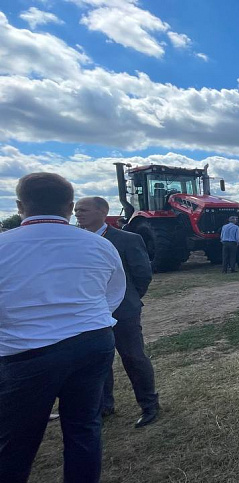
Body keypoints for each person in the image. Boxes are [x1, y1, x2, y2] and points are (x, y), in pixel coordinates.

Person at [0, 173, 125, 483]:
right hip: (93, 342)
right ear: (69, 207)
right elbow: (113, 293)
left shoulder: (5, 245)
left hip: (26, 350)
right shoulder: (98, 245)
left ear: (20, 206)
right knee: (84, 426)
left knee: (16, 438)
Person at [74, 197, 159, 428]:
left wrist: (128, 299)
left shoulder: (127, 239)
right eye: (75, 210)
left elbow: (142, 274)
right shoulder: (76, 241)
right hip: (91, 312)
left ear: (103, 211)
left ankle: (149, 404)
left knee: (133, 357)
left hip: (123, 310)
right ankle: (104, 405)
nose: (77, 214)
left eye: (83, 209)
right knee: (97, 359)